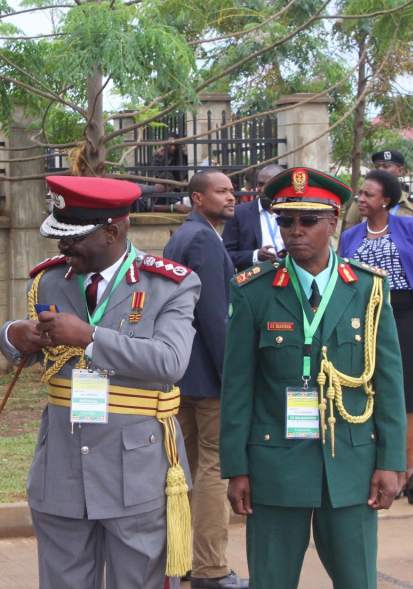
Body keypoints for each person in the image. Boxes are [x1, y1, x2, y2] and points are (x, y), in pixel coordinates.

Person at [0, 175, 200, 588]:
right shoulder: (49, 279)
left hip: (135, 469)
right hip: (61, 465)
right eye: (59, 236)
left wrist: (90, 338)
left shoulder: (168, 284)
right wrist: (13, 336)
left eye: (74, 238)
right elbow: (33, 351)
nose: (63, 246)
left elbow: (171, 361)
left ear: (112, 232)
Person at [221, 167, 407, 589]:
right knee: (270, 581)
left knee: (358, 580)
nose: (295, 231)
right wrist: (236, 467)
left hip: (351, 464)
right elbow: (237, 387)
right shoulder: (253, 290)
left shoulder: (367, 289)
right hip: (274, 464)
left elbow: (388, 382)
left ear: (333, 222)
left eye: (308, 220)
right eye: (285, 221)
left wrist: (391, 461)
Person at [339, 168, 413, 505]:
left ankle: (410, 470)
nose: (360, 199)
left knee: (409, 390)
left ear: (386, 201)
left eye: (368, 194)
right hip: (366, 318)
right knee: (371, 386)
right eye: (360, 193)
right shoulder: (350, 236)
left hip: (411, 316)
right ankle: (380, 464)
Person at [163, 170, 246, 589]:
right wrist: (232, 377)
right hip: (209, 379)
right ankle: (211, 568)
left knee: (186, 471)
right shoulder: (203, 240)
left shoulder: (182, 235)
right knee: (214, 469)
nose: (232, 197)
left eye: (232, 190)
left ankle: (182, 561)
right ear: (198, 198)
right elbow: (215, 317)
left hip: (180, 374)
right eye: (221, 191)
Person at [342, 150, 413, 228]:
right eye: (377, 167)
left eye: (386, 166)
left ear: (399, 171)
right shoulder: (361, 203)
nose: (380, 170)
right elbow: (349, 235)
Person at [222, 164, 285, 271]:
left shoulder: (292, 212)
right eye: (260, 184)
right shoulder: (239, 213)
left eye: (269, 184)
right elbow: (226, 255)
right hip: (255, 277)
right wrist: (255, 256)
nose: (262, 189)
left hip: (288, 275)